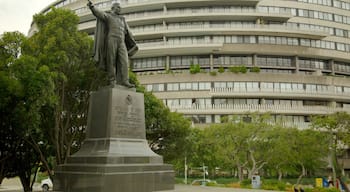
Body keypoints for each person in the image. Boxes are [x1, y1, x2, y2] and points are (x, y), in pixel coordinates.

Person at [87, 1, 138, 87]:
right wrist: (92, 7)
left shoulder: (122, 20)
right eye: (118, 7)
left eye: (120, 8)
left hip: (121, 41)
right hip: (112, 39)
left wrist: (132, 43)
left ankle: (125, 81)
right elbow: (99, 13)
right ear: (113, 8)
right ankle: (112, 80)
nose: (120, 9)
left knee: (124, 61)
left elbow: (128, 33)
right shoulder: (108, 16)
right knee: (111, 60)